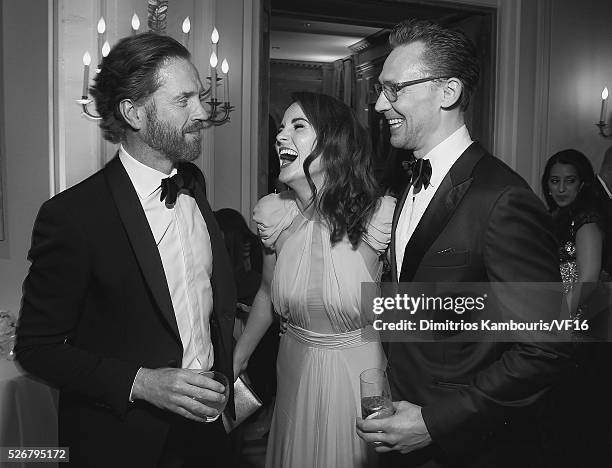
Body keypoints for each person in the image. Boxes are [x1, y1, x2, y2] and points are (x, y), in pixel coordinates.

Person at [356, 19, 571, 468]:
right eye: (379, 89)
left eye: (394, 89)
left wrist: (435, 421)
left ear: (448, 92)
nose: (379, 104)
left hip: (465, 447)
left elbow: (544, 348)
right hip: (400, 425)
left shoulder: (502, 198)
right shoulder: (405, 181)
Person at [15, 33, 236, 468]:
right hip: (122, 441)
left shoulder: (194, 188)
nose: (203, 112)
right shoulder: (74, 215)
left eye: (201, 97)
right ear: (134, 113)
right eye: (184, 100)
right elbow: (36, 347)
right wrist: (142, 382)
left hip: (207, 434)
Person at [233, 91, 396, 467]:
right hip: (293, 366)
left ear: (334, 144)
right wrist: (237, 356)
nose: (280, 136)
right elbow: (266, 294)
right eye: (281, 127)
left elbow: (408, 306)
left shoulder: (380, 217)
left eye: (298, 126)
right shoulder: (276, 216)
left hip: (357, 374)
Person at [539, 149, 612, 468]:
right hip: (568, 324)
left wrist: (556, 322)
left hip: (582, 329)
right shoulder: (556, 217)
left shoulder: (587, 219)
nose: (561, 188)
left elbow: (589, 279)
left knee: (577, 417)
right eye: (555, 181)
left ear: (583, 184)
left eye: (570, 181)